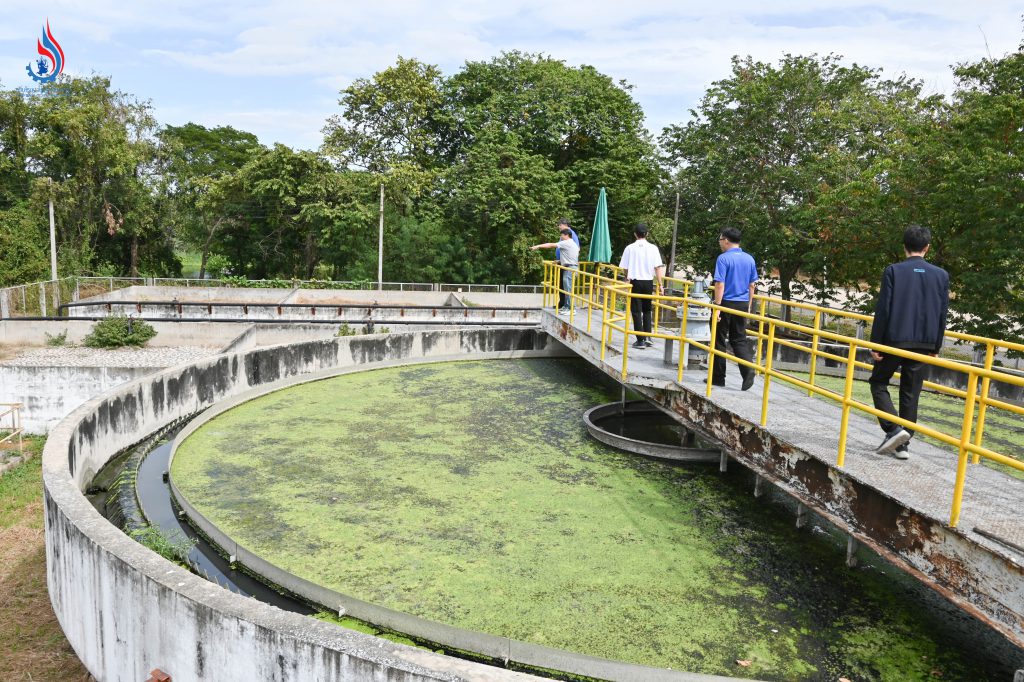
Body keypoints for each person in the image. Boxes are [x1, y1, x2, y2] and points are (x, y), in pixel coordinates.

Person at [869, 224, 949, 459]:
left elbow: (883, 309)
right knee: (911, 392)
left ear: (904, 246)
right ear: (927, 247)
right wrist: (936, 345)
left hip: (894, 339)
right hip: (924, 343)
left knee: (878, 382)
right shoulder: (941, 275)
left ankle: (894, 430)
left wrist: (876, 343)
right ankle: (902, 445)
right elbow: (942, 313)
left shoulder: (893, 271)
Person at [711, 227, 758, 390]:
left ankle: (718, 378)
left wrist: (717, 307)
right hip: (742, 303)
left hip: (726, 302)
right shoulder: (749, 259)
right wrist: (749, 305)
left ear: (726, 240)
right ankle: (748, 370)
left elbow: (719, 284)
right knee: (739, 339)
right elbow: (752, 285)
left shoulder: (723, 259)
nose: (720, 243)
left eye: (720, 240)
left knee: (718, 339)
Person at [618, 223, 665, 349]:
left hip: (636, 282)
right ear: (647, 234)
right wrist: (660, 284)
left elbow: (625, 268)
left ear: (635, 234)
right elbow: (657, 268)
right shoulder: (653, 248)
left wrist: (627, 277)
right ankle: (648, 336)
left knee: (636, 311)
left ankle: (640, 340)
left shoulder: (629, 248)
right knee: (647, 310)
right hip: (648, 282)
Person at [531, 228, 579, 314]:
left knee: (568, 290)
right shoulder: (573, 243)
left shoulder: (566, 242)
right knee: (567, 289)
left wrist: (538, 246)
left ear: (566, 235)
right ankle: (567, 307)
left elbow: (550, 245)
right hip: (571, 267)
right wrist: (559, 261)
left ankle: (571, 309)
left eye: (562, 235)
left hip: (569, 269)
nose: (561, 237)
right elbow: (570, 256)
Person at [554, 218, 580, 310]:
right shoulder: (565, 234)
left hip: (568, 264)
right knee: (562, 284)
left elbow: (577, 248)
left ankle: (567, 305)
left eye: (560, 225)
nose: (559, 227)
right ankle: (563, 304)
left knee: (566, 285)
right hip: (563, 263)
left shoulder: (570, 234)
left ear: (565, 225)